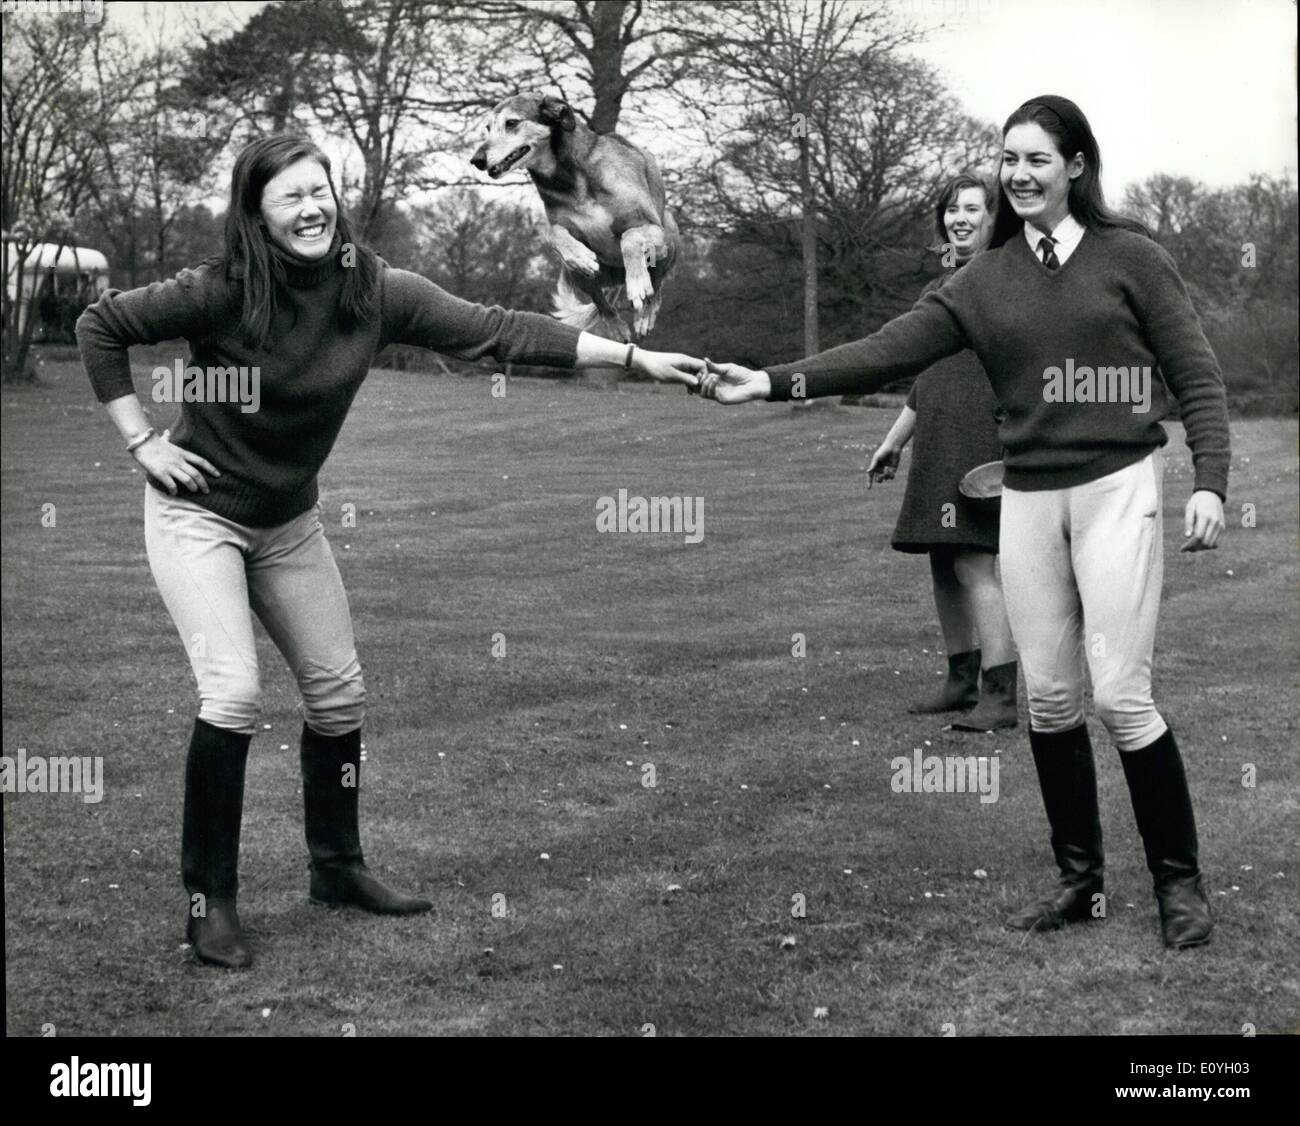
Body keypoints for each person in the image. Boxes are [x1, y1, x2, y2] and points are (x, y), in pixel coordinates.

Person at [76, 133, 702, 969]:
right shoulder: (220, 291)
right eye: (289, 197)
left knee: (338, 698)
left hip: (288, 522)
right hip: (201, 517)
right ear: (256, 216)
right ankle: (209, 904)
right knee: (232, 695)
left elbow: (497, 332)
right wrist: (141, 441)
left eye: (320, 191)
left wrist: (635, 357)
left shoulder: (374, 291)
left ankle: (337, 869)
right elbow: (100, 324)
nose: (311, 209)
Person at [699, 95, 1229, 950]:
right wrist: (767, 381)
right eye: (1008, 159)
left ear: (1077, 166)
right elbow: (886, 348)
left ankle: (1179, 886)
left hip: (1117, 487)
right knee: (1050, 701)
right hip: (1026, 497)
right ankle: (1079, 880)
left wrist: (1210, 482)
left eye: (1037, 160)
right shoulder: (980, 281)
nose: (1019, 175)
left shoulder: (1133, 258)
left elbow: (1198, 378)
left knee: (1123, 698)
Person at [866, 173, 1017, 731]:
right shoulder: (939, 288)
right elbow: (927, 379)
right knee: (942, 564)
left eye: (972, 209)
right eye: (952, 209)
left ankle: (1000, 695)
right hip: (938, 438)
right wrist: (893, 440)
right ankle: (961, 680)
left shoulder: (1004, 279)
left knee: (973, 561)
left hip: (980, 438)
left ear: (992, 219)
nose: (959, 218)